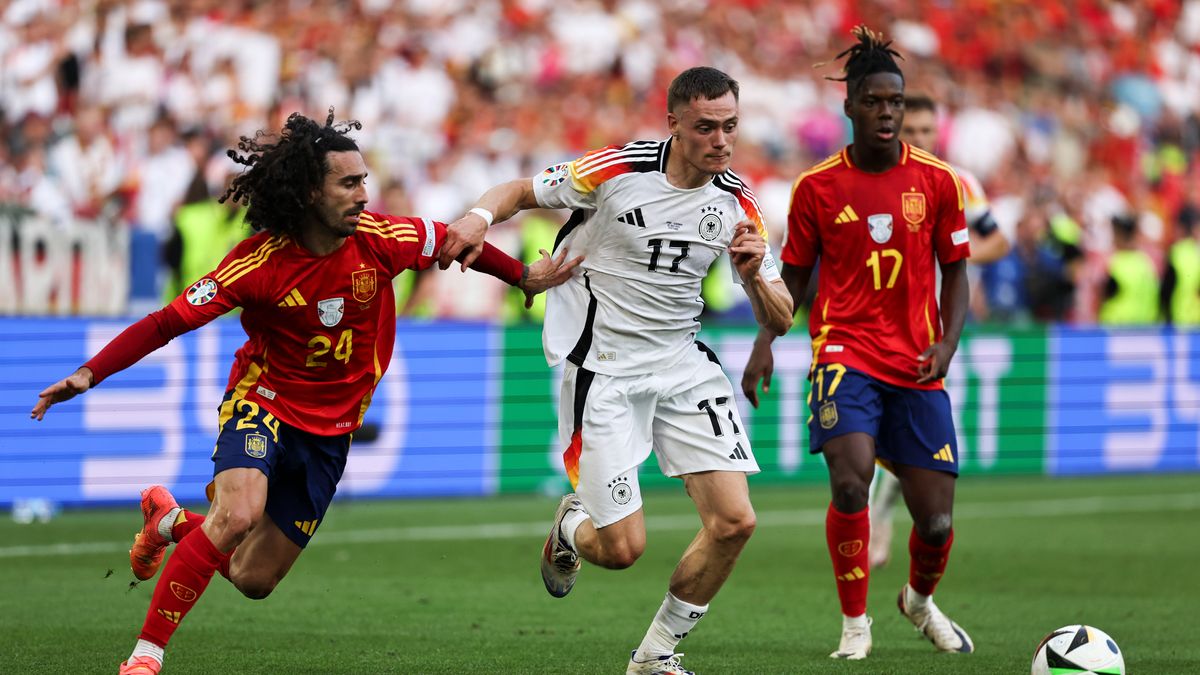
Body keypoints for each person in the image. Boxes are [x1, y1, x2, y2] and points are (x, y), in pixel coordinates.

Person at [30, 109, 579, 675]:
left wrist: (523, 277)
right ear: (310, 191)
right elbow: (167, 321)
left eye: (364, 180)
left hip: (331, 430)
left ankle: (169, 523)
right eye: (349, 182)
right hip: (262, 402)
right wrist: (89, 374)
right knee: (238, 515)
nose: (364, 194)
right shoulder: (257, 264)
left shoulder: (381, 240)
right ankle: (145, 656)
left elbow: (456, 241)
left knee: (252, 578)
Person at [440, 66, 793, 674]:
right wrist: (477, 218)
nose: (721, 141)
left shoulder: (738, 203)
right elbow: (519, 190)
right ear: (674, 124)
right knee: (622, 549)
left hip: (682, 364)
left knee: (735, 522)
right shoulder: (618, 169)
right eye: (706, 127)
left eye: (730, 127)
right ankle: (570, 526)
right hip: (602, 370)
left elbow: (781, 318)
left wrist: (757, 273)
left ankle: (655, 657)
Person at [741, 26, 975, 660]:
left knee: (936, 521)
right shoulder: (817, 187)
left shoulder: (938, 182)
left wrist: (947, 347)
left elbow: (957, 271)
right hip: (843, 354)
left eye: (895, 103)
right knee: (852, 483)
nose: (887, 113)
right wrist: (767, 339)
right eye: (874, 101)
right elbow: (792, 275)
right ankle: (854, 625)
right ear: (849, 106)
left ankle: (919, 601)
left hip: (917, 361)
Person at [868, 92, 1012, 569]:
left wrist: (950, 251)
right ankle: (876, 512)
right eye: (912, 132)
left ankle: (881, 512)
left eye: (928, 132)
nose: (920, 140)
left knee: (915, 431)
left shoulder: (957, 182)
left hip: (930, 325)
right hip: (877, 321)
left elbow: (999, 240)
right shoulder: (876, 179)